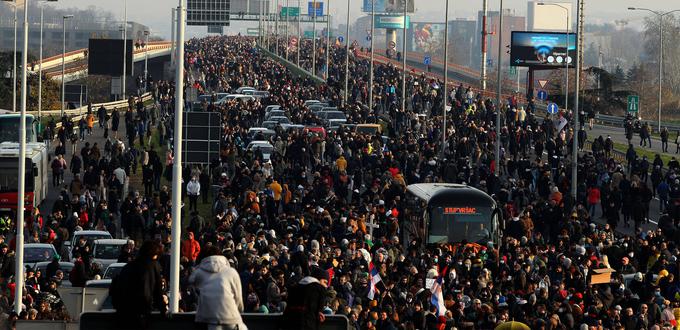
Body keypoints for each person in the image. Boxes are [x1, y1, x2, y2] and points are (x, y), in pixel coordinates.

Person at [110, 240, 167, 329]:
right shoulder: (153, 266)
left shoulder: (129, 267)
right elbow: (157, 291)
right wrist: (163, 309)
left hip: (123, 313)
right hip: (141, 312)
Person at [189, 245, 246, 330]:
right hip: (232, 318)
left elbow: (190, 280)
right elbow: (239, 301)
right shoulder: (231, 272)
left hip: (210, 320)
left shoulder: (199, 273)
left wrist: (199, 267)